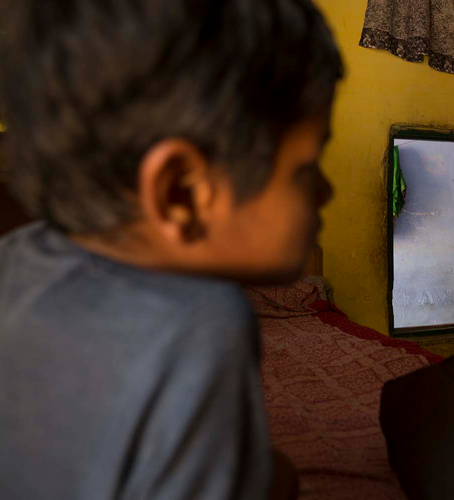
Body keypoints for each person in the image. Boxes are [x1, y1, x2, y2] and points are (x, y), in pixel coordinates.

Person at [0, 1, 343, 499]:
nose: (327, 191)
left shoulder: (16, 256)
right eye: (307, 167)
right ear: (181, 192)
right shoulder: (199, 325)